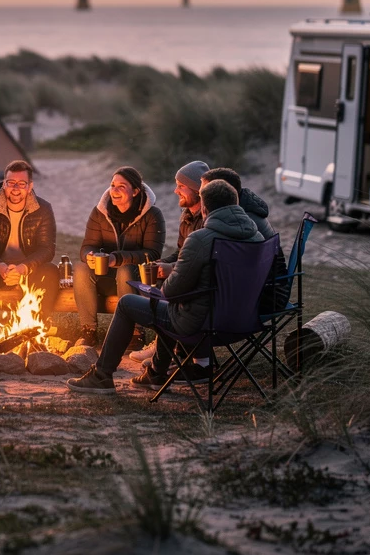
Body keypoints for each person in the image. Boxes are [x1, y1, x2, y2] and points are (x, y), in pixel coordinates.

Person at [67, 178, 263, 394]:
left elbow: (171, 291)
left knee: (129, 303)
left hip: (199, 325)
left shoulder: (201, 239)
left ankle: (101, 376)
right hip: (242, 323)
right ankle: (156, 373)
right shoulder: (257, 237)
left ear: (204, 207)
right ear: (235, 203)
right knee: (172, 307)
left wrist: (163, 280)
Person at [127, 158, 207, 364]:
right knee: (155, 280)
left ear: (198, 190)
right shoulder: (187, 215)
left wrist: (170, 268)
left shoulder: (207, 221)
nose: (175, 191)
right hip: (187, 275)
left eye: (181, 186)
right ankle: (164, 346)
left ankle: (166, 352)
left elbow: (197, 261)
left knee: (167, 286)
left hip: (198, 287)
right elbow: (182, 252)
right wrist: (162, 263)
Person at [74, 166, 164, 347]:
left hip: (137, 279)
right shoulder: (100, 212)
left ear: (135, 191)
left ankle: (134, 332)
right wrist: (89, 255)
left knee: (124, 270)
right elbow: (87, 245)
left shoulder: (152, 215)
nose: (114, 190)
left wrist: (118, 258)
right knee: (81, 268)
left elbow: (153, 253)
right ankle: (89, 332)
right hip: (106, 277)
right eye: (112, 185)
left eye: (121, 186)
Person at [0, 160, 58, 341]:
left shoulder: (43, 209)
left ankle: (41, 325)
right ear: (4, 183)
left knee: (51, 271)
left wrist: (24, 267)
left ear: (30, 186)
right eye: (11, 183)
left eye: (22, 184)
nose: (15, 188)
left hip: (28, 271)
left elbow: (47, 249)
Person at [200, 167, 288, 313]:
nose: (202, 197)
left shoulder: (242, 223)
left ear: (222, 190)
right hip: (269, 289)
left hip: (264, 296)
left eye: (205, 191)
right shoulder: (243, 211)